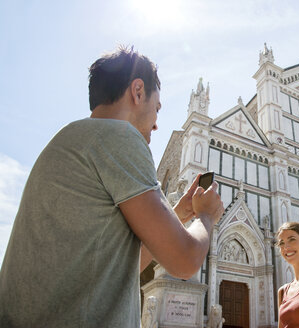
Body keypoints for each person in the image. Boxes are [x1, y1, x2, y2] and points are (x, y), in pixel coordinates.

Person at [0, 46, 224, 327]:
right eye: (157, 108)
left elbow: (121, 270)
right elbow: (185, 261)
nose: (156, 125)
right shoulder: (120, 137)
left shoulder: (69, 138)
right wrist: (206, 215)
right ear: (138, 91)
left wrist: (177, 216)